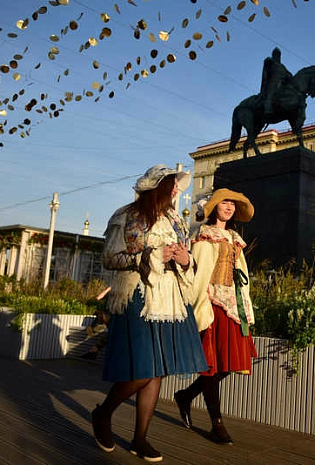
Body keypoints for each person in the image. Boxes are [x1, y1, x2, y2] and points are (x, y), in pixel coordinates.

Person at [92, 164, 208, 462]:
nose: (174, 190)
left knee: (156, 370)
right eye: (170, 185)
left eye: (175, 186)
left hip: (170, 299)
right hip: (137, 296)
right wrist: (151, 255)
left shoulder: (174, 221)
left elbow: (185, 258)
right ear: (156, 187)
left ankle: (139, 438)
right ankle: (104, 414)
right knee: (143, 368)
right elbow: (109, 258)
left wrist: (185, 259)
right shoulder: (126, 215)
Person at [173, 188, 257, 445]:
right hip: (209, 302)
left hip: (231, 304)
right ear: (214, 207)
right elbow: (197, 271)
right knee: (211, 364)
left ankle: (186, 395)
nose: (229, 207)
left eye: (232, 203)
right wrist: (198, 303)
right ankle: (216, 423)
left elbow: (241, 273)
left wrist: (244, 303)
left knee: (230, 363)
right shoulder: (204, 235)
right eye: (224, 202)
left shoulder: (234, 237)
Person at [260, 47, 292, 120]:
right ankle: (267, 110)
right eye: (276, 54)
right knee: (271, 94)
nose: (277, 56)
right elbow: (265, 73)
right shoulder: (270, 62)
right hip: (272, 83)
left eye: (278, 54)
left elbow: (288, 75)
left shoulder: (282, 66)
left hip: (282, 84)